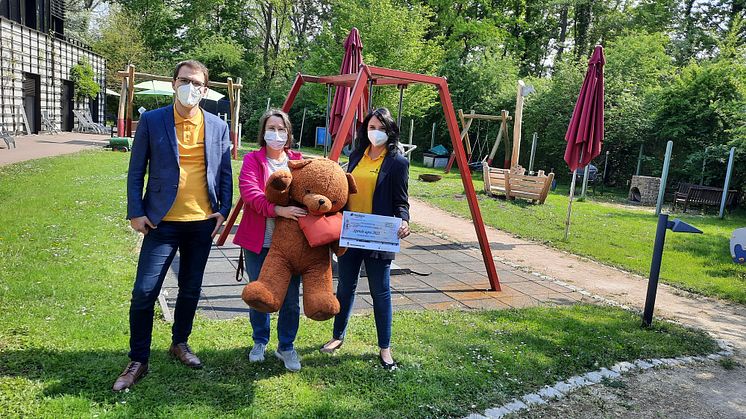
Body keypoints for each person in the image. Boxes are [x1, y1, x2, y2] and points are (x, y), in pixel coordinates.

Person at [113, 60, 233, 391]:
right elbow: (136, 170)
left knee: (191, 289)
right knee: (143, 292)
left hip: (201, 224)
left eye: (197, 84)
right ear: (174, 82)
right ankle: (138, 359)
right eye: (185, 81)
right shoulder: (152, 121)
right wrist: (135, 211)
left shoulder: (217, 126)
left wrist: (223, 210)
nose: (191, 88)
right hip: (161, 223)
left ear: (205, 89)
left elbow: (225, 172)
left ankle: (179, 342)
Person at [320, 108, 410, 369]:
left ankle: (385, 348)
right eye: (372, 127)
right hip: (351, 232)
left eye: (381, 128)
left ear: (390, 131)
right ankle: (337, 336)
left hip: (379, 236)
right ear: (365, 129)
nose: (376, 132)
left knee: (380, 292)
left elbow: (401, 201)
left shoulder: (398, 163)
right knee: (345, 287)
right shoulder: (357, 154)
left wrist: (404, 220)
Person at [233, 109, 307, 372]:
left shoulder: (298, 161)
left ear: (288, 134)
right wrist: (279, 210)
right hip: (259, 241)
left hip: (291, 245)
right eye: (272, 128)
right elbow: (250, 193)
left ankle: (286, 345)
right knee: (260, 294)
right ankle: (260, 340)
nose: (276, 134)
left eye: (281, 129)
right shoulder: (253, 160)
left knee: (289, 298)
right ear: (264, 132)